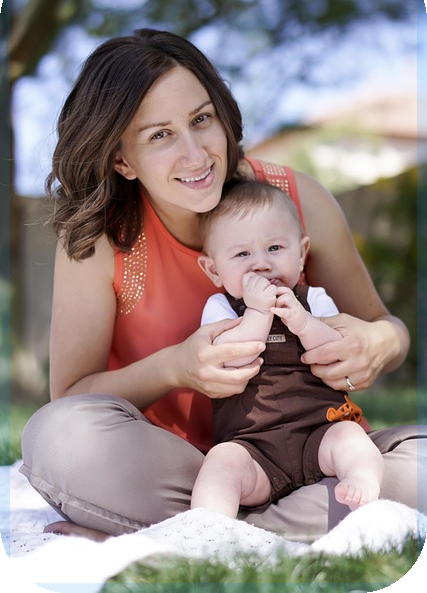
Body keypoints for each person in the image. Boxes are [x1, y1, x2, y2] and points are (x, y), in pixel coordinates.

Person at [19, 28, 425, 543]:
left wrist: (378, 342)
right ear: (122, 160)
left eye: (200, 119)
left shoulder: (296, 199)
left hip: (320, 453)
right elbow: (71, 396)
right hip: (180, 469)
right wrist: (175, 367)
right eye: (159, 135)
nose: (196, 155)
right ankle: (250, 523)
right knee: (58, 436)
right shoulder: (100, 236)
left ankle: (198, 533)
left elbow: (386, 327)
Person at [191, 180, 384, 517]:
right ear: (213, 270)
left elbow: (336, 350)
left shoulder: (314, 299)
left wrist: (305, 323)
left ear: (302, 253)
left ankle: (363, 486)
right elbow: (231, 358)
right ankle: (209, 527)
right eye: (242, 254)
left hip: (320, 432)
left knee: (351, 438)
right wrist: (257, 312)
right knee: (221, 462)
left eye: (275, 248)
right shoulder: (220, 308)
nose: (261, 264)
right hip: (253, 446)